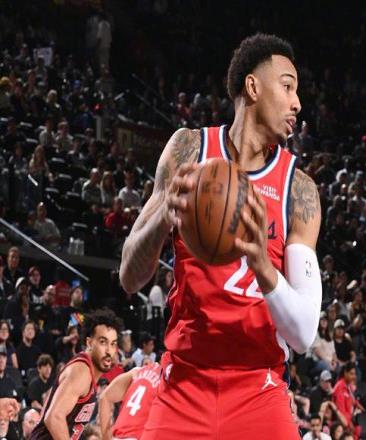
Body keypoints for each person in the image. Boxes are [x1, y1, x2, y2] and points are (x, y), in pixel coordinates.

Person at [120, 33, 322, 439]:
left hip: (258, 387)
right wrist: (163, 216)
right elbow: (129, 277)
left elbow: (303, 334)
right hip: (184, 382)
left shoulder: (297, 190)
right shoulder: (188, 151)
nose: (297, 103)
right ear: (253, 87)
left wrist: (262, 265)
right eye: (287, 87)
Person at [31, 308, 122, 440]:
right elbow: (54, 417)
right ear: (89, 343)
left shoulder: (88, 372)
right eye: (103, 342)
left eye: (113, 344)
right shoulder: (81, 371)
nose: (109, 351)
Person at [99, 361, 162, 440]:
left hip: (119, 435)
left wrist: (106, 438)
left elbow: (104, 397)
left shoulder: (138, 371)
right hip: (139, 436)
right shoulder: (169, 381)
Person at [331, 362, 364, 439]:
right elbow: (341, 411)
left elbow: (352, 400)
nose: (354, 376)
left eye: (355, 374)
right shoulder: (340, 387)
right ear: (345, 373)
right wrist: (350, 425)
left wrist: (359, 406)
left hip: (350, 421)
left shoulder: (348, 386)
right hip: (343, 426)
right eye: (351, 374)